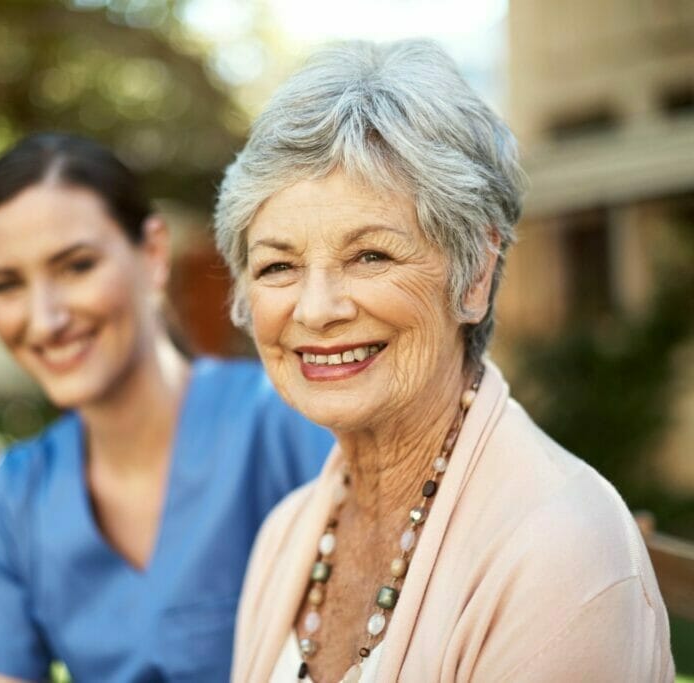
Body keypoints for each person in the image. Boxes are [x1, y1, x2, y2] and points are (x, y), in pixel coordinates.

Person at [213, 40, 674, 682]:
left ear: (474, 276)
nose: (315, 310)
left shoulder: (560, 546)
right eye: (278, 266)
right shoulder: (286, 534)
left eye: (370, 255)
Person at [0, 132, 333, 682]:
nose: (44, 319)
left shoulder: (286, 424)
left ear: (153, 255)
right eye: (7, 285)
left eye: (76, 267)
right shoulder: (13, 503)